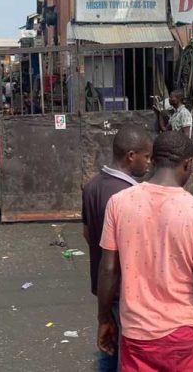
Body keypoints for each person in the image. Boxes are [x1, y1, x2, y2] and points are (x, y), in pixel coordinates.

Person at [97, 132, 193, 372]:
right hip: (185, 335)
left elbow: (108, 269)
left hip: (136, 333)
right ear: (188, 164)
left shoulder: (118, 202)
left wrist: (104, 318)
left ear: (153, 160)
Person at [82, 125, 152, 372]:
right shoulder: (130, 195)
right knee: (129, 353)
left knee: (109, 346)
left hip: (103, 286)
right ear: (131, 156)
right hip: (125, 288)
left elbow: (87, 234)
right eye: (147, 156)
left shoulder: (92, 186)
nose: (149, 163)